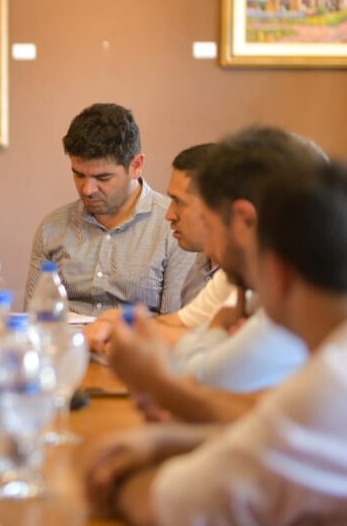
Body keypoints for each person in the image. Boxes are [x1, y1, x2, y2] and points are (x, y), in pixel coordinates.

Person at [85, 158, 347, 525]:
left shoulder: (331, 386)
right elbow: (263, 421)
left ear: (276, 272)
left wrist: (113, 479)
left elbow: (168, 505)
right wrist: (167, 442)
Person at [105, 127, 316, 422]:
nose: (211, 245)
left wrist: (213, 333)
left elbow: (201, 375)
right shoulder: (260, 292)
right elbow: (254, 416)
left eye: (211, 222)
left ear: (244, 220)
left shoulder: (289, 309)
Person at [25, 103, 197, 315]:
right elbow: (34, 316)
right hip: (63, 336)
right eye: (79, 175)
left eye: (103, 177)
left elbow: (179, 322)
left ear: (136, 166)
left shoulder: (174, 227)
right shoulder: (52, 228)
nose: (87, 190)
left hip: (138, 336)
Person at [84, 143, 235, 353]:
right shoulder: (203, 262)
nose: (169, 214)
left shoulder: (250, 280)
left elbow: (214, 345)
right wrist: (121, 320)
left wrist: (123, 328)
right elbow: (184, 324)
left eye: (179, 202)